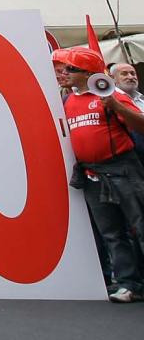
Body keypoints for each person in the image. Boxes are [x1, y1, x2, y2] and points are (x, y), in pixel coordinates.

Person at [62, 47, 144, 303]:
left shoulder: (113, 94)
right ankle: (129, 284)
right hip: (91, 174)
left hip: (122, 168)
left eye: (71, 69)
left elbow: (140, 125)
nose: (65, 73)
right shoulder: (69, 101)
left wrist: (117, 106)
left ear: (88, 73)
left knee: (140, 225)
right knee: (111, 232)